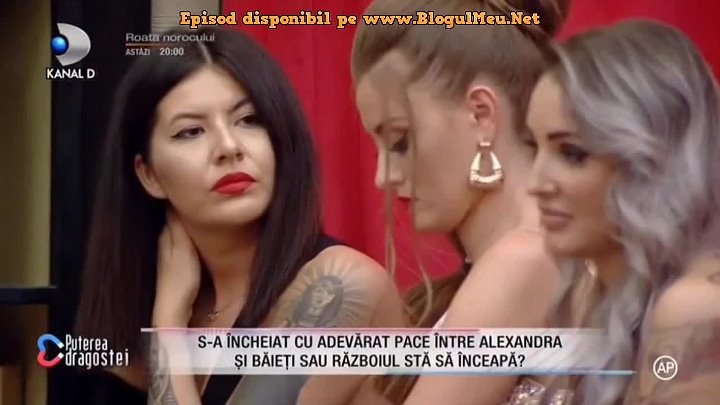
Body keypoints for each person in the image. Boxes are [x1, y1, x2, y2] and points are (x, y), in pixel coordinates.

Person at [73, 26, 404, 405]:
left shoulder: (339, 287)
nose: (229, 147)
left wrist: (168, 320)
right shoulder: (131, 303)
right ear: (148, 174)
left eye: (248, 120)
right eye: (191, 131)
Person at [298, 1, 573, 404]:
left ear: (481, 115)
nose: (383, 177)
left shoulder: (523, 260)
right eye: (378, 150)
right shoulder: (509, 264)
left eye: (400, 142)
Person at [526, 19, 720, 405]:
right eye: (533, 147)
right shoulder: (596, 292)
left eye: (571, 153)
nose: (536, 183)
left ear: (653, 162)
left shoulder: (694, 306)